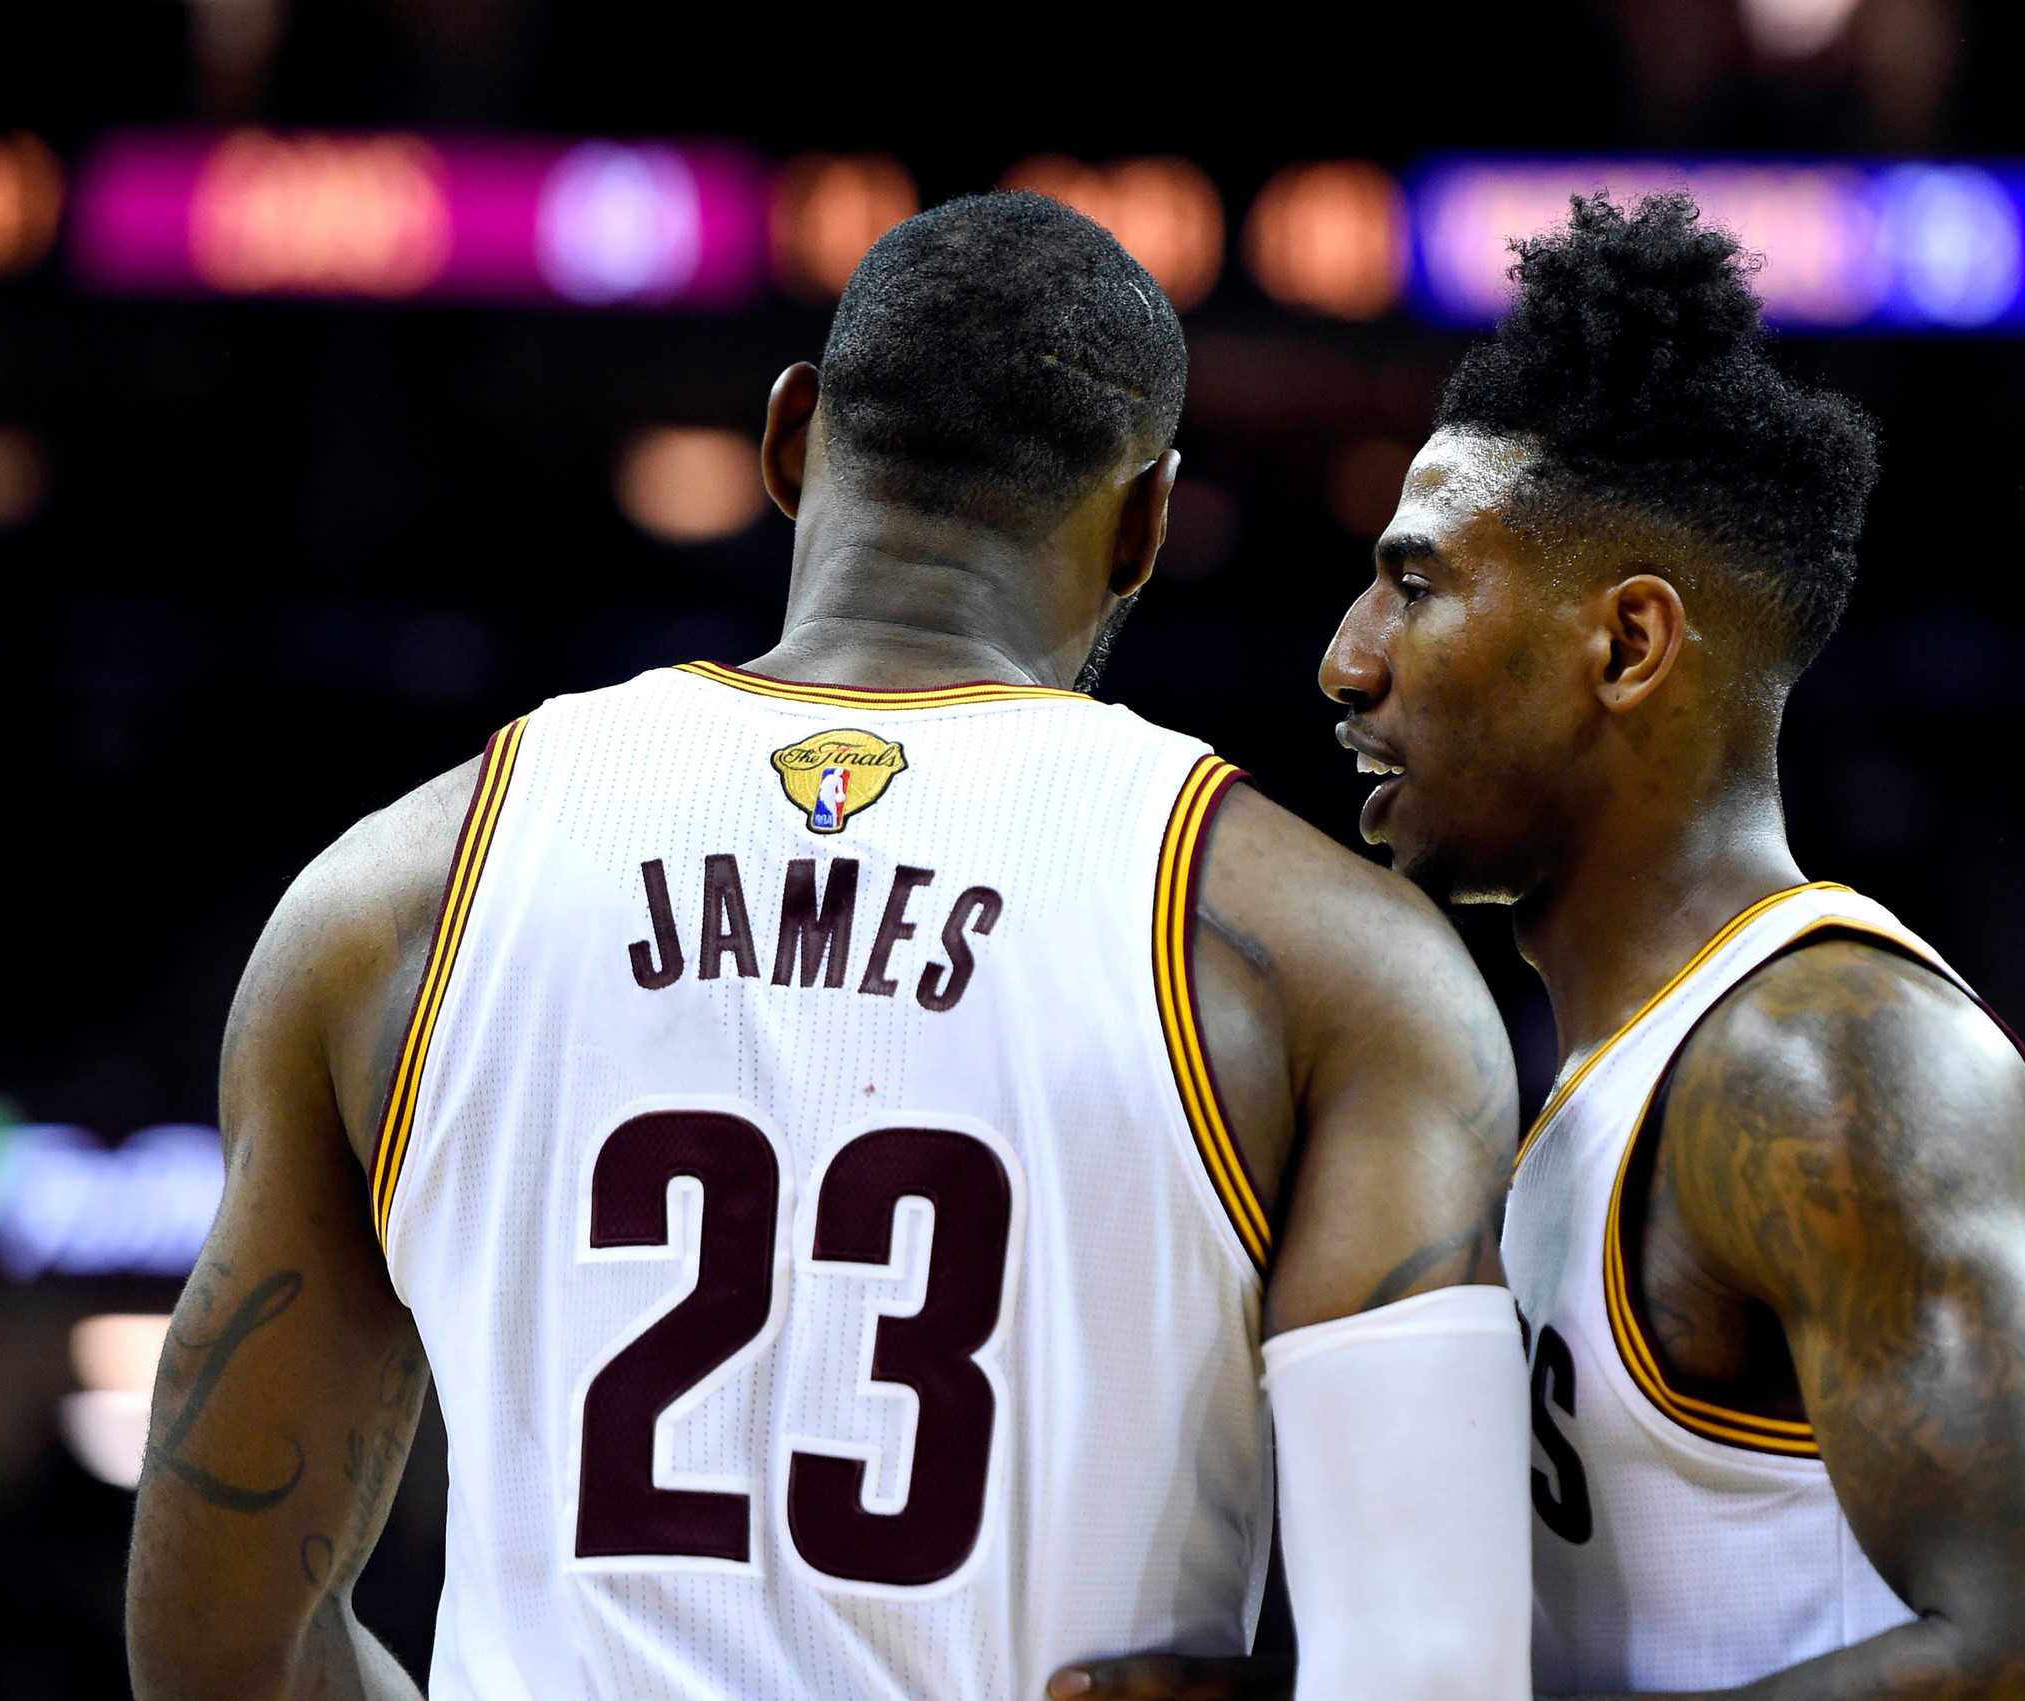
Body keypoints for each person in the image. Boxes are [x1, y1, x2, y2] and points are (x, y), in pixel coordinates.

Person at [125, 194, 1532, 1701]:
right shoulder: (1326, 963)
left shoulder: (389, 901)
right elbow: (1425, 1662)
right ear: (1145, 525)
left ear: (791, 438)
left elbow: (225, 1650)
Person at [1055, 195, 2025, 1701]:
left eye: (1416, 581)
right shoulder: (1610, 1092)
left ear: (1627, 644)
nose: (1346, 658)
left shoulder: (1824, 1061)